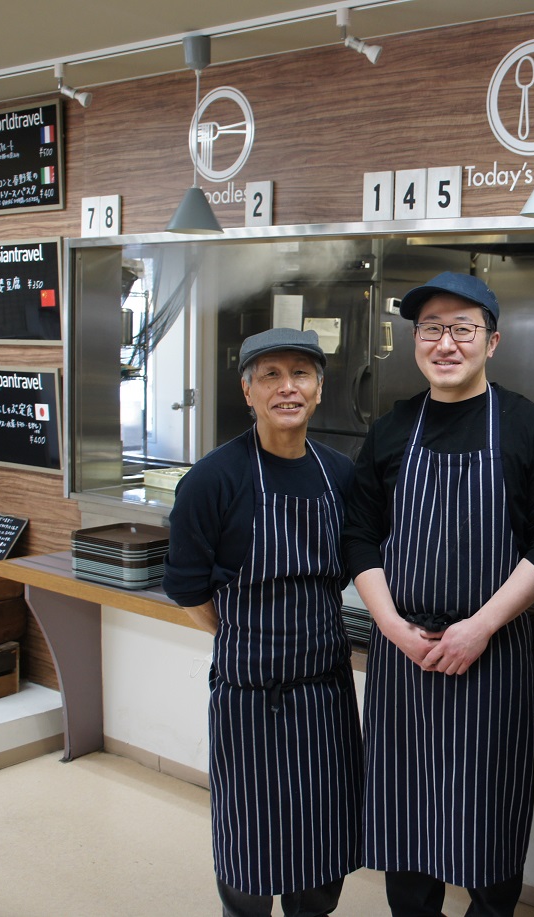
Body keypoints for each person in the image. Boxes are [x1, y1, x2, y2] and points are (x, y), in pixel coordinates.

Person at [342, 271, 534, 917]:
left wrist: (481, 626)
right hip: (403, 655)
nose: (445, 343)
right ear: (415, 340)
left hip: (492, 654)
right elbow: (360, 535)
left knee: (489, 821)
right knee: (405, 821)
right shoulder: (392, 428)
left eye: (462, 329)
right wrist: (391, 625)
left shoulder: (527, 428)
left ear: (492, 341)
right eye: (431, 329)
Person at [164, 328, 362, 917]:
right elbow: (189, 590)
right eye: (270, 375)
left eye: (300, 374)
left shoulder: (340, 475)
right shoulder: (212, 480)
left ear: (319, 389)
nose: (287, 388)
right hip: (250, 698)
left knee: (323, 845)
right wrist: (246, 643)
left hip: (326, 693)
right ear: (247, 390)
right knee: (249, 847)